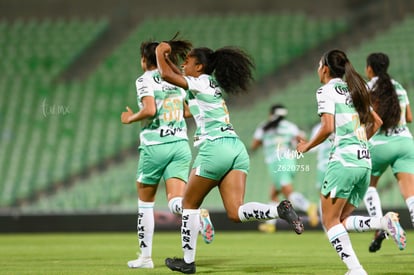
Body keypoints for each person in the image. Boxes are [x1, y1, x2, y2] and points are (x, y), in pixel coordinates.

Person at [156, 42, 304, 274]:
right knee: (236, 212)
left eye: (188, 61)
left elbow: (166, 74)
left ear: (200, 66)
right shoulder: (208, 85)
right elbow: (179, 83)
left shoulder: (200, 82)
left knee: (188, 205)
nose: (184, 64)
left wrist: (160, 51)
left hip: (215, 148)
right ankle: (279, 210)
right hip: (236, 148)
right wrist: (171, 62)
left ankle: (187, 261)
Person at [296, 49, 406, 275]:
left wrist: (307, 146)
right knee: (341, 219)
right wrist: (359, 142)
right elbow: (377, 122)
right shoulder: (358, 88)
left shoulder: (325, 91)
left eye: (319, 66)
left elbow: (327, 128)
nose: (318, 70)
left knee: (329, 221)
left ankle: (356, 270)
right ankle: (382, 224)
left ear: (325, 69)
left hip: (343, 163)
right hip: (364, 162)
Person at [120, 36, 214, 269]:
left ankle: (145, 258)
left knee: (145, 203)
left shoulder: (144, 79)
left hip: (155, 146)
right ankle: (198, 214)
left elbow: (150, 109)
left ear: (144, 60)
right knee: (176, 201)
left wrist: (130, 118)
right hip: (180, 145)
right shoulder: (176, 81)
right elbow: (189, 111)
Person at [362, 52, 414, 252]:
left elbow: (365, 117)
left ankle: (379, 225)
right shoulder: (398, 86)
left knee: (368, 186)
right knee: (411, 195)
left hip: (380, 144)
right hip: (405, 143)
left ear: (369, 68)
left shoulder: (368, 88)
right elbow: (409, 117)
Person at [250, 104, 319, 233]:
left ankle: (309, 206)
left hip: (277, 163)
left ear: (271, 114)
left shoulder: (264, 127)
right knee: (274, 194)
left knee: (288, 192)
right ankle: (270, 224)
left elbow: (254, 144)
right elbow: (302, 141)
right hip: (289, 161)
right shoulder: (290, 126)